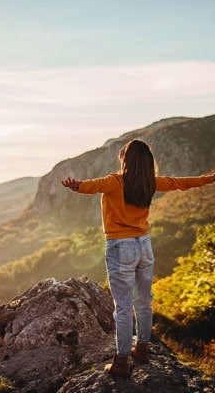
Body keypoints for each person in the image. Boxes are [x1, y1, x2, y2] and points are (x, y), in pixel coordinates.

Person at [61, 139, 215, 377]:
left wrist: (76, 185)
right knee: (144, 301)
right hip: (144, 245)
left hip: (120, 247)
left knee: (122, 307)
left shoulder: (115, 181)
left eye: (123, 152)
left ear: (126, 159)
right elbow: (180, 183)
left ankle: (121, 361)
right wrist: (207, 179)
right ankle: (141, 348)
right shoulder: (150, 182)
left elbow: (92, 186)